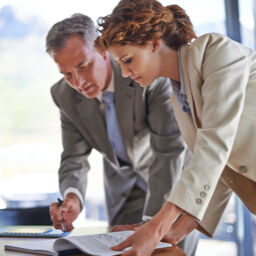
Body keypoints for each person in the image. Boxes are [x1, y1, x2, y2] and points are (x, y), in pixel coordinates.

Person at [95, 0, 256, 255]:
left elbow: (214, 148)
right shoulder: (177, 98)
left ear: (154, 43)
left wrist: (156, 228)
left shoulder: (217, 51)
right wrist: (174, 232)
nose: (125, 73)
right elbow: (219, 171)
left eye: (127, 60)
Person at [45, 13, 199, 255]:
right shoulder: (64, 95)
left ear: (103, 50)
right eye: (67, 74)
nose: (78, 82)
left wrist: (152, 223)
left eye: (82, 66)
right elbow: (73, 158)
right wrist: (72, 197)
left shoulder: (143, 74)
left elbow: (168, 151)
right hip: (123, 190)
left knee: (170, 251)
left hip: (171, 182)